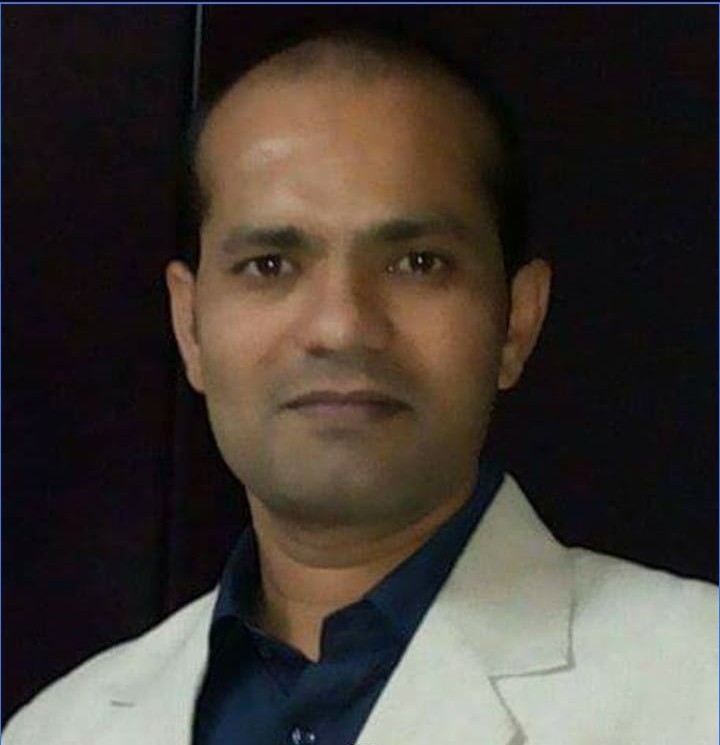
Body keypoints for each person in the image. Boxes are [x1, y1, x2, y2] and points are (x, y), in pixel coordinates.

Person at [4, 31, 716, 745]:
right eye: (270, 264)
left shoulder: (695, 679)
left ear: (516, 322)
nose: (341, 326)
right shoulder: (59, 728)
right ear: (190, 327)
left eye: (417, 262)